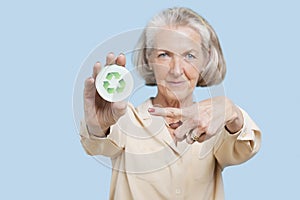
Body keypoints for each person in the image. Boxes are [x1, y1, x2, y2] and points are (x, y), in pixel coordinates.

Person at [80, 7, 261, 200]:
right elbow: (97, 144)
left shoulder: (215, 124)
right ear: (148, 58)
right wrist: (97, 126)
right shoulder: (125, 120)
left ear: (206, 59)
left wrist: (231, 112)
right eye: (164, 55)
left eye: (189, 55)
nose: (176, 70)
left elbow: (246, 147)